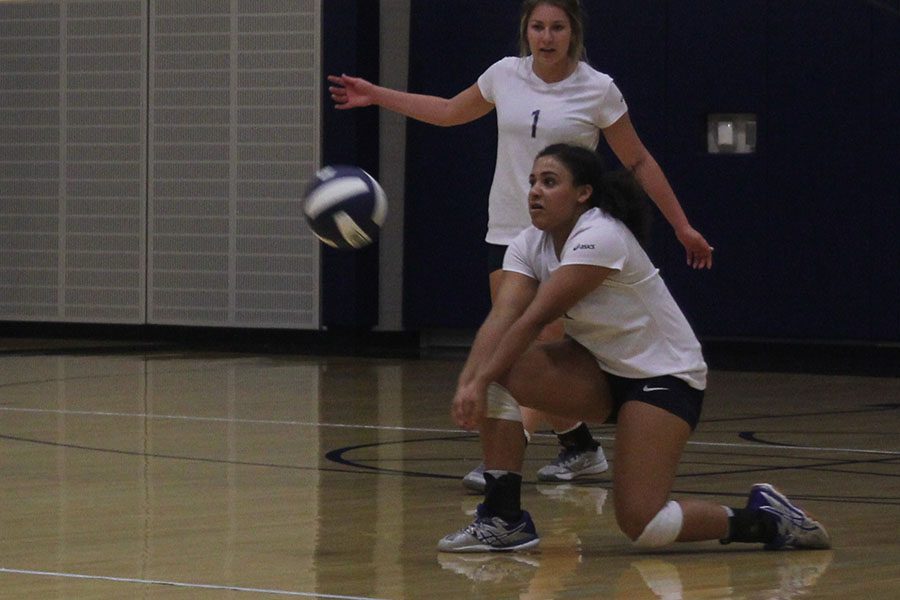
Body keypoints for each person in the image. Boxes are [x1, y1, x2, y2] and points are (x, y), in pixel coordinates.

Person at [328, 0, 714, 491]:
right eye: (538, 27)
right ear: (525, 31)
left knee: (536, 349)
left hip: (563, 240)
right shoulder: (504, 75)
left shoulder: (597, 89)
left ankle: (504, 465)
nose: (547, 37)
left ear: (573, 33)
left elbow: (637, 161)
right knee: (515, 342)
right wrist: (377, 95)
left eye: (557, 27)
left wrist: (681, 225)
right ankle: (579, 447)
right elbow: (448, 112)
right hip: (508, 234)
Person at [436, 143, 830, 553]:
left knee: (645, 525)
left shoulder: (601, 235)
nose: (535, 190)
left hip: (663, 375)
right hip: (601, 371)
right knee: (500, 371)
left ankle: (767, 519)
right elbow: (502, 318)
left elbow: (534, 318)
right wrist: (470, 382)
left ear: (583, 193)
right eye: (533, 181)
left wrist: (476, 381)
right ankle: (504, 519)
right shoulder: (527, 243)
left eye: (549, 182)